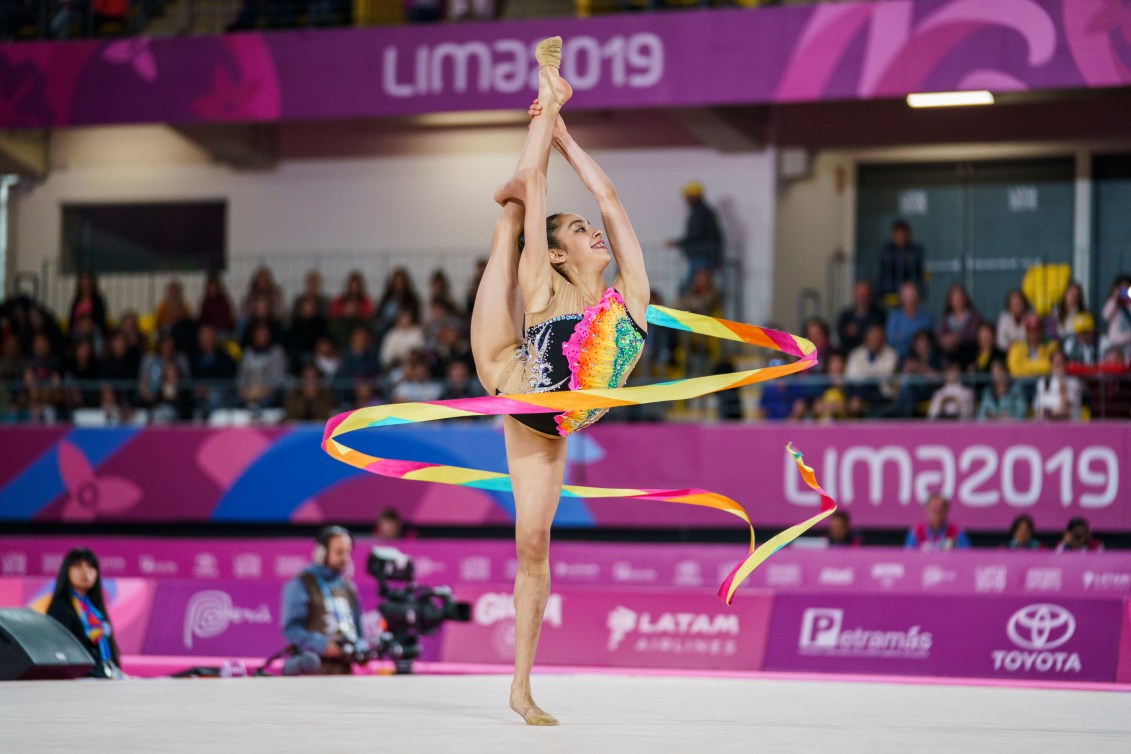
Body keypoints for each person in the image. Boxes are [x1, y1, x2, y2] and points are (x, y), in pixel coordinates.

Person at [469, 37, 649, 726]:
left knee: (535, 545)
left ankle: (521, 689)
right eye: (580, 231)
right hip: (508, 376)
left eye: (589, 229)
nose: (594, 232)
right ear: (560, 252)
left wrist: (567, 130)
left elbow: (607, 196)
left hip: (554, 423)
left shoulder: (630, 297)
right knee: (513, 217)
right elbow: (544, 197)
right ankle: (537, 108)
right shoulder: (545, 286)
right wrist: (546, 103)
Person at [280, 526, 368, 675]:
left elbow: (360, 634)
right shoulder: (302, 583)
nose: (345, 558)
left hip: (345, 672)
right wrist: (321, 645)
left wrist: (360, 648)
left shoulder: (348, 587)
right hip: (313, 671)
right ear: (322, 553)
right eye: (339, 552)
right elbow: (291, 629)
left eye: (348, 552)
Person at [46, 548, 122, 679]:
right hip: (80, 678)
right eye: (78, 566)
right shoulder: (60, 608)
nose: (85, 571)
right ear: (66, 571)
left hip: (104, 674)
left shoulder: (95, 610)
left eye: (91, 567)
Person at [668, 181, 723, 294]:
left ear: (694, 196)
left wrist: (679, 243)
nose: (686, 199)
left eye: (688, 196)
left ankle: (685, 310)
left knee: (690, 287)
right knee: (697, 287)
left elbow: (696, 234)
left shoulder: (700, 213)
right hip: (705, 254)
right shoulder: (704, 212)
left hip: (701, 255)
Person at [878, 220, 925, 305]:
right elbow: (888, 271)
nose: (902, 238)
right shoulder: (886, 250)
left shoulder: (916, 250)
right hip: (890, 292)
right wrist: (901, 255)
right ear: (893, 235)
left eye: (904, 235)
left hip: (911, 294)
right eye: (899, 235)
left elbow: (917, 272)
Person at [905, 492, 970, 551]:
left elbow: (966, 555)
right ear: (926, 510)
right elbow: (908, 555)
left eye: (940, 509)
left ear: (946, 510)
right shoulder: (916, 531)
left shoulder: (956, 532)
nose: (936, 513)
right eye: (933, 509)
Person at [937, 284, 982, 368]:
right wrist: (947, 340)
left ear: (965, 298)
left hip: (969, 350)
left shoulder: (974, 316)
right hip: (950, 352)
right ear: (950, 300)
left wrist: (958, 337)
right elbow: (940, 335)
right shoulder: (945, 318)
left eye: (960, 297)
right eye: (955, 298)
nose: (958, 300)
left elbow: (975, 333)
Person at [885, 281, 934, 359]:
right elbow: (891, 339)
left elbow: (927, 340)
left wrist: (902, 335)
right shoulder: (894, 317)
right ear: (901, 297)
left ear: (918, 296)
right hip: (898, 358)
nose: (910, 299)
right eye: (906, 295)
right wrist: (914, 337)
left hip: (921, 358)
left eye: (912, 295)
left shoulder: (926, 317)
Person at [836, 279, 886, 354]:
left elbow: (878, 336)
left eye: (864, 296)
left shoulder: (879, 315)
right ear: (854, 295)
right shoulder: (845, 315)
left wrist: (858, 333)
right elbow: (842, 336)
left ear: (870, 295)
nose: (861, 299)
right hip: (849, 354)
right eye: (859, 296)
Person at [1033, 350, 1082, 420]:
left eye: (1060, 363)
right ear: (1051, 364)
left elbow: (1065, 410)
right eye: (1055, 363)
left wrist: (1061, 381)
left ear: (1066, 364)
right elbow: (1038, 409)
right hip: (1047, 423)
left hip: (1068, 423)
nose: (1057, 365)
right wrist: (1046, 414)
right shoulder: (1043, 381)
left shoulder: (1073, 382)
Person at [1100, 274, 1131, 360]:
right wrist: (1115, 298)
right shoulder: (1113, 303)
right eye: (1122, 288)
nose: (1124, 291)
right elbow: (1105, 316)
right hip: (1114, 344)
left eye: (1127, 288)